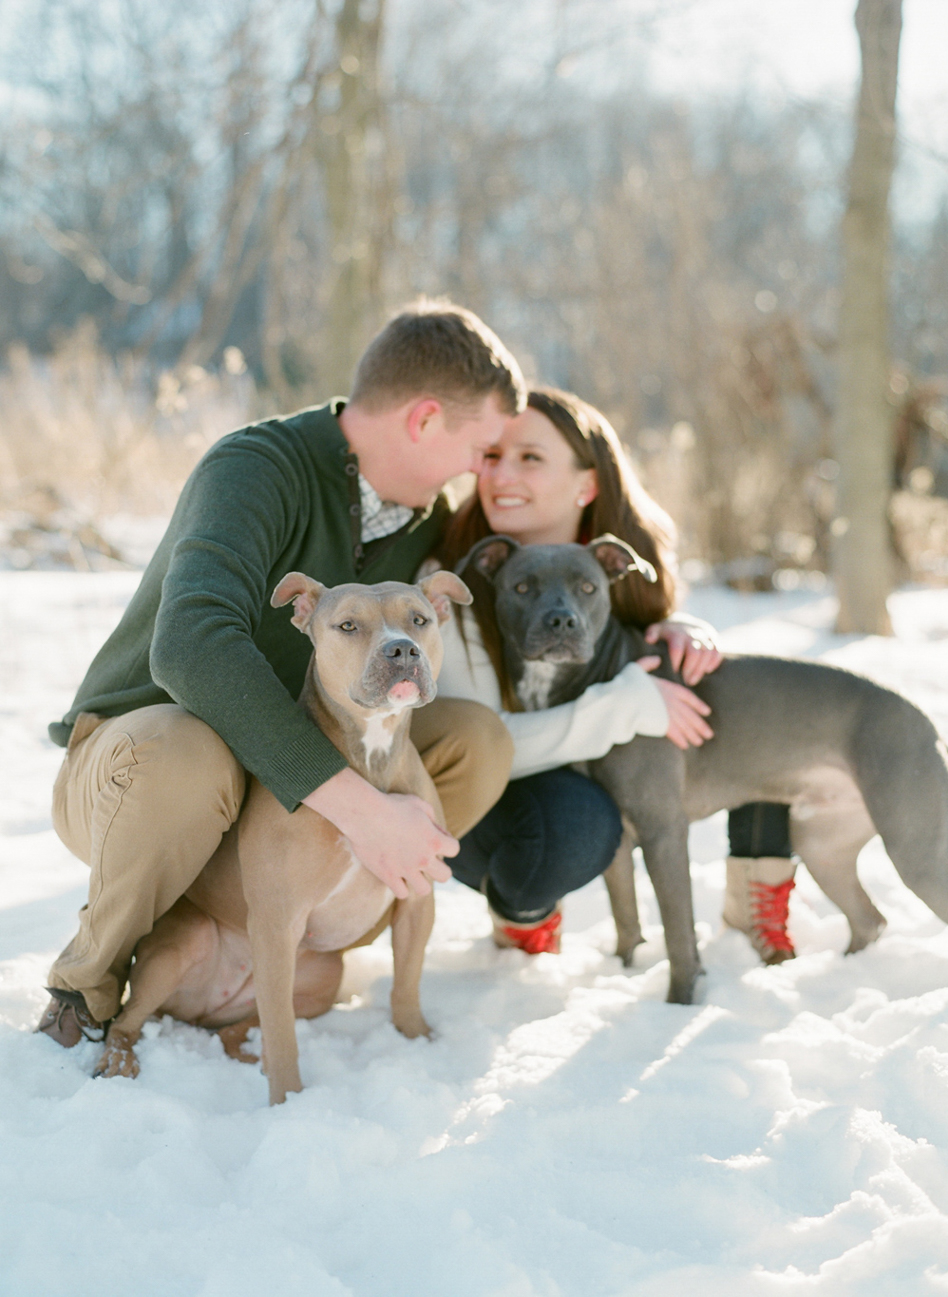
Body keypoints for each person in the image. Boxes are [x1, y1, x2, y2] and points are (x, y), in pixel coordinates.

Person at [36, 301, 525, 1046]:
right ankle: (92, 978)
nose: (481, 473)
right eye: (482, 449)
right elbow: (189, 645)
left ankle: (310, 910)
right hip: (136, 768)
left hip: (281, 785)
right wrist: (362, 809)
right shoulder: (255, 466)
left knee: (474, 740)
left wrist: (669, 617)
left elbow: (540, 546)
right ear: (426, 420)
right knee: (188, 754)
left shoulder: (426, 518)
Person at [430, 387, 797, 961]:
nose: (502, 475)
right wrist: (627, 704)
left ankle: (758, 890)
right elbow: (479, 744)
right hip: (482, 794)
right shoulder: (454, 571)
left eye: (530, 457)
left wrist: (676, 626)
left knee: (753, 705)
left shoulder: (618, 560)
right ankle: (524, 909)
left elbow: (641, 634)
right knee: (578, 821)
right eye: (493, 456)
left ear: (587, 483)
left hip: (579, 755)